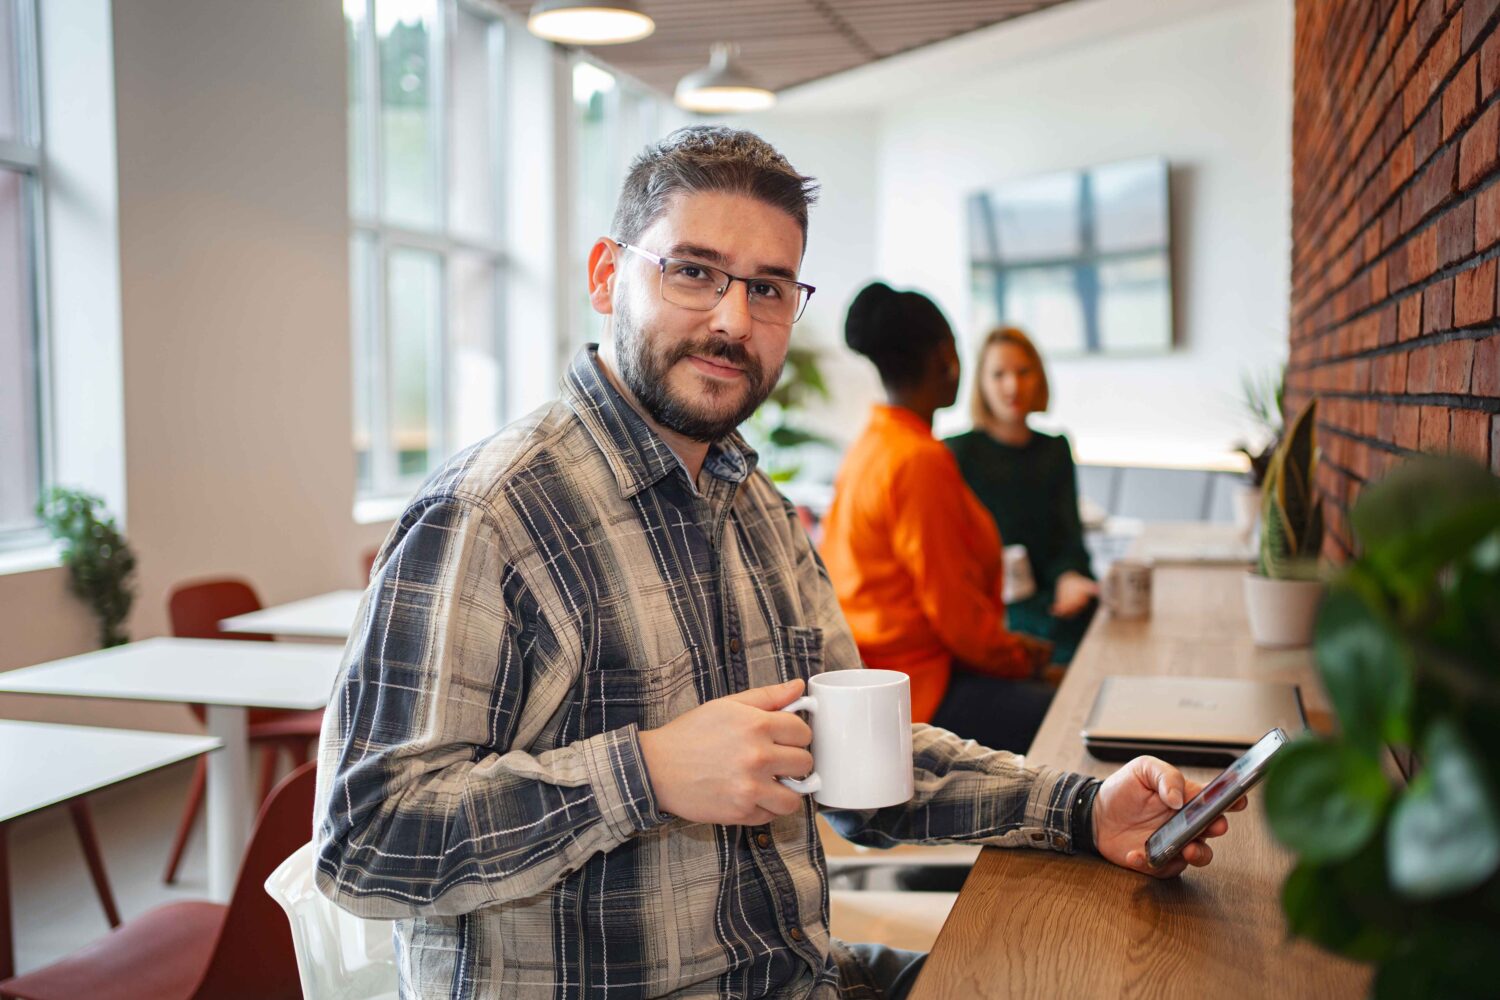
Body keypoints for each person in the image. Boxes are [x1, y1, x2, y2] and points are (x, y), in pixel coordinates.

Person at [314, 126, 1244, 1000]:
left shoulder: (751, 503)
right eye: (693, 272)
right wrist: (648, 772)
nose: (731, 319)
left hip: (799, 974)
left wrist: (1083, 810)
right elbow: (364, 843)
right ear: (607, 276)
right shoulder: (488, 514)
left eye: (768, 288)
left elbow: (860, 770)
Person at [818, 282, 1054, 754]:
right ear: (946, 355)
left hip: (874, 683)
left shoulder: (871, 445)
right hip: (920, 692)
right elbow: (957, 618)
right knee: (1075, 709)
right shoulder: (919, 460)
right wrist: (1020, 660)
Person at [946, 328, 1098, 665]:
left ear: (1039, 377)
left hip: (1053, 600)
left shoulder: (1055, 448)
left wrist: (1069, 576)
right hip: (993, 608)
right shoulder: (956, 453)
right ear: (982, 383)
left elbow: (1069, 537)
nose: (1012, 386)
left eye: (1023, 372)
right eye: (999, 374)